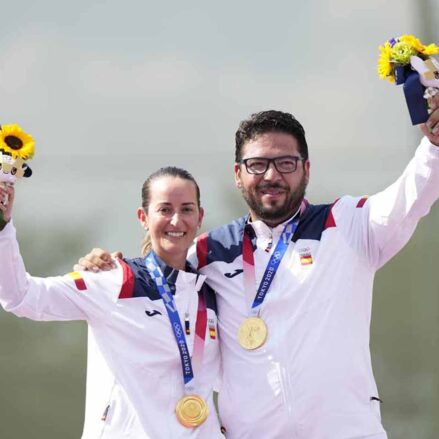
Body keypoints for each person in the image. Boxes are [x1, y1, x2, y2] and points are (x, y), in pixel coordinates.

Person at [78, 99, 439, 439]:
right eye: (257, 164)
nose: (271, 175)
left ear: (306, 170)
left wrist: (433, 146)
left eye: (286, 163)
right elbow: (160, 275)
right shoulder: (210, 251)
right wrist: (106, 266)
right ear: (238, 174)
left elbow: (413, 195)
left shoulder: (348, 225)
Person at [0, 167, 223, 439]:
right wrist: (2, 228)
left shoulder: (211, 293)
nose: (176, 221)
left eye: (186, 209)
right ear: (143, 217)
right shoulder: (114, 280)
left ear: (199, 217)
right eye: (165, 209)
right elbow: (20, 296)